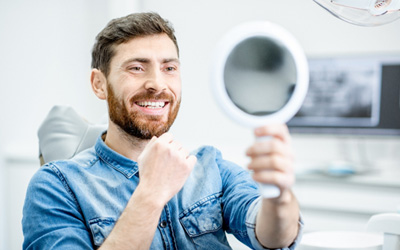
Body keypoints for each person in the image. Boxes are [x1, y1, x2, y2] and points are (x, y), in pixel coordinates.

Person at [22, 12, 303, 250]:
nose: (157, 83)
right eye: (136, 67)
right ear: (99, 84)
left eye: (169, 68)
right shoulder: (55, 186)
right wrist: (151, 194)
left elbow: (272, 236)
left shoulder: (210, 166)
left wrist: (278, 196)